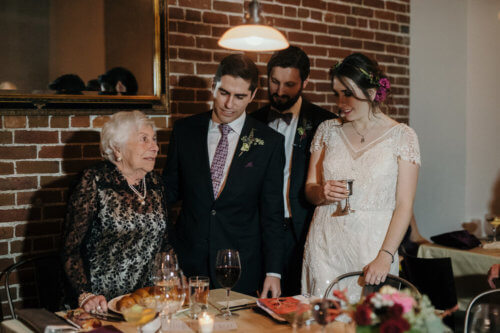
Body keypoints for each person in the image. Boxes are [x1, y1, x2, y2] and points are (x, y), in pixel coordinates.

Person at [163, 54, 286, 298]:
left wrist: (274, 272)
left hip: (240, 265)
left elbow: (272, 213)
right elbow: (168, 195)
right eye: (224, 93)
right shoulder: (184, 130)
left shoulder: (270, 142)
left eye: (239, 96)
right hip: (189, 264)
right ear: (213, 86)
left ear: (252, 95)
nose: (229, 104)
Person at [302, 53, 421, 298]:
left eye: (348, 93)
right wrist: (322, 192)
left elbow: (404, 205)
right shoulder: (327, 131)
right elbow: (309, 189)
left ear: (370, 92)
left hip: (373, 250)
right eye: (337, 94)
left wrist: (386, 255)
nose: (340, 102)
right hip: (325, 247)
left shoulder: (402, 136)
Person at [61, 110, 168, 312]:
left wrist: (174, 277)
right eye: (144, 140)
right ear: (116, 148)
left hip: (144, 302)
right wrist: (85, 295)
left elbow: (164, 243)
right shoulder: (95, 181)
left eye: (154, 140)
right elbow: (70, 249)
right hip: (99, 304)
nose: (155, 147)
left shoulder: (155, 183)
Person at [251, 46, 336, 296]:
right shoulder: (252, 122)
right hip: (259, 229)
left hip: (302, 228)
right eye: (274, 82)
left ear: (305, 82)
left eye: (289, 84)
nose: (279, 91)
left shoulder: (324, 123)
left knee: (299, 302)